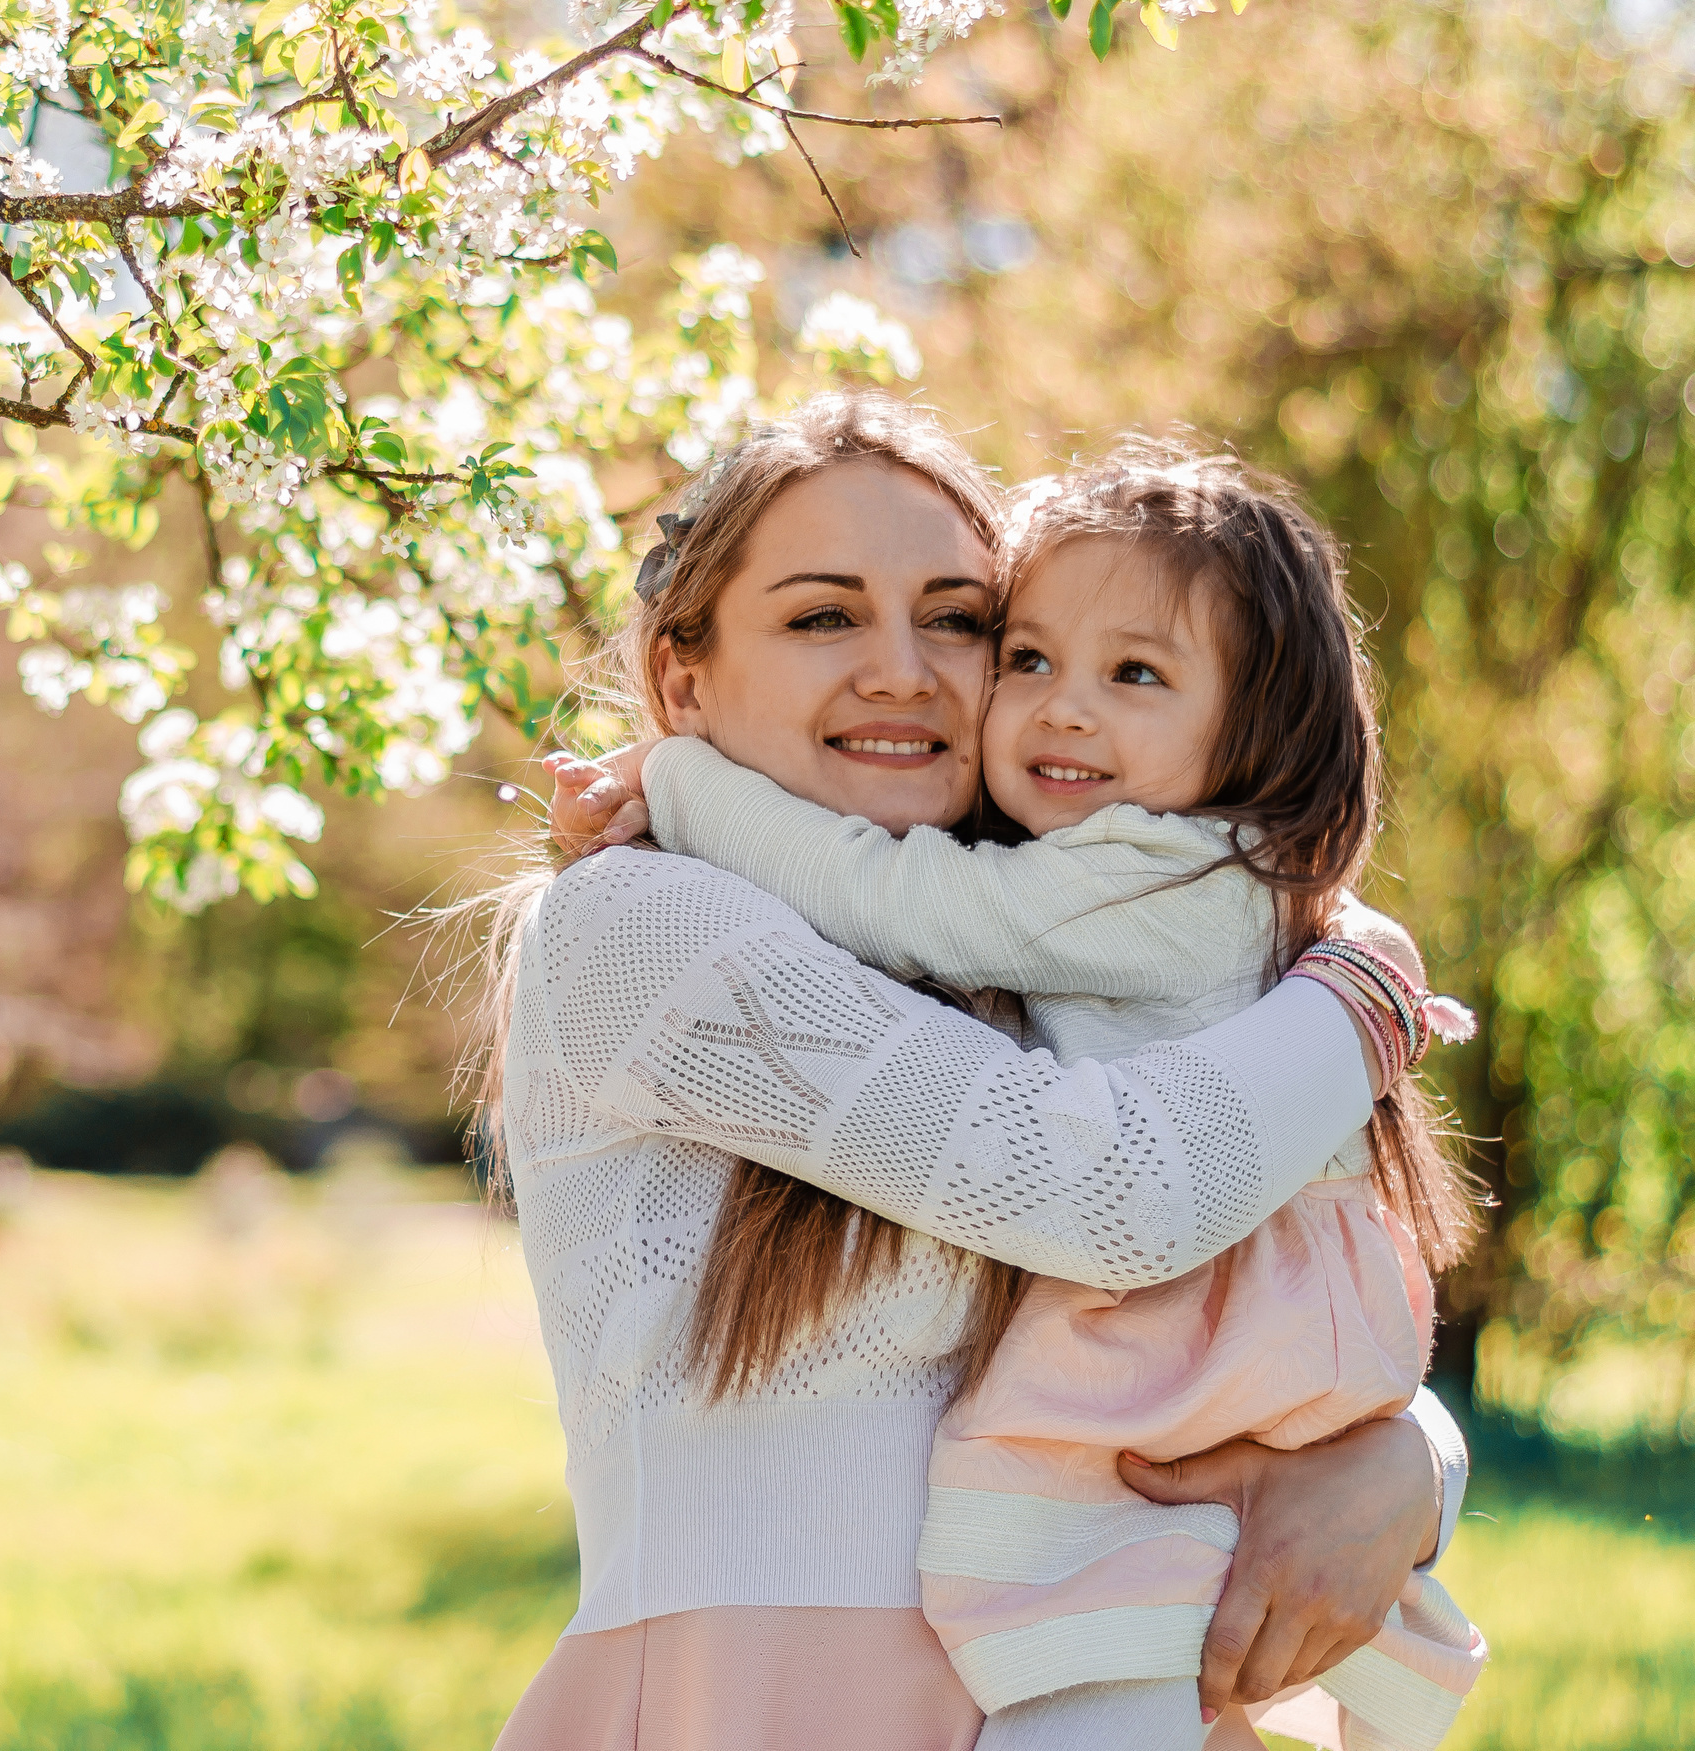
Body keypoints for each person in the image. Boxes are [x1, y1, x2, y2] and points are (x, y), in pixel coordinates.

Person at [473, 390, 1466, 1751]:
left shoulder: (1037, 967)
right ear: (683, 680)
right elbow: (1119, 1197)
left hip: (1089, 1682)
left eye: (958, 621)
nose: (906, 671)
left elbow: (1230, 1322)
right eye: (825, 616)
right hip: (773, 1705)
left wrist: (1413, 1460)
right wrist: (1364, 987)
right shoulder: (640, 927)